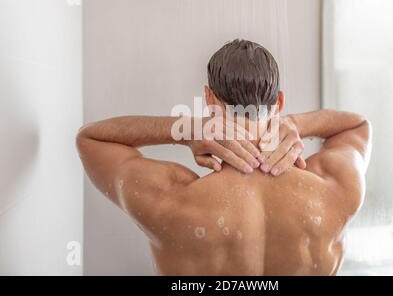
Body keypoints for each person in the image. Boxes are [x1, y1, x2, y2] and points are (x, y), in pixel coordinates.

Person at [76, 39, 371, 275]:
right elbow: (357, 125)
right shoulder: (332, 191)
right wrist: (295, 123)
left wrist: (185, 129)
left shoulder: (170, 200)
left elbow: (91, 138)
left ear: (209, 100)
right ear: (279, 101)